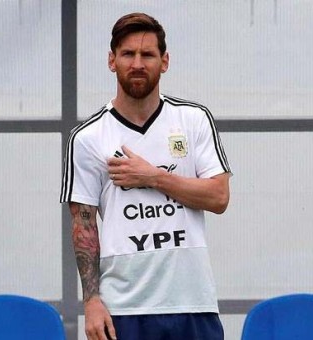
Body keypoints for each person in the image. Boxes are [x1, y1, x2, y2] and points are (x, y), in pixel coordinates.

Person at [60, 12, 232, 340]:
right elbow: (83, 224)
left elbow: (219, 197)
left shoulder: (193, 120)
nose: (138, 63)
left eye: (148, 55)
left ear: (164, 62)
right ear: (112, 61)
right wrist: (92, 302)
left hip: (192, 304)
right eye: (128, 54)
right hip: (124, 310)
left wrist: (153, 177)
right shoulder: (88, 137)